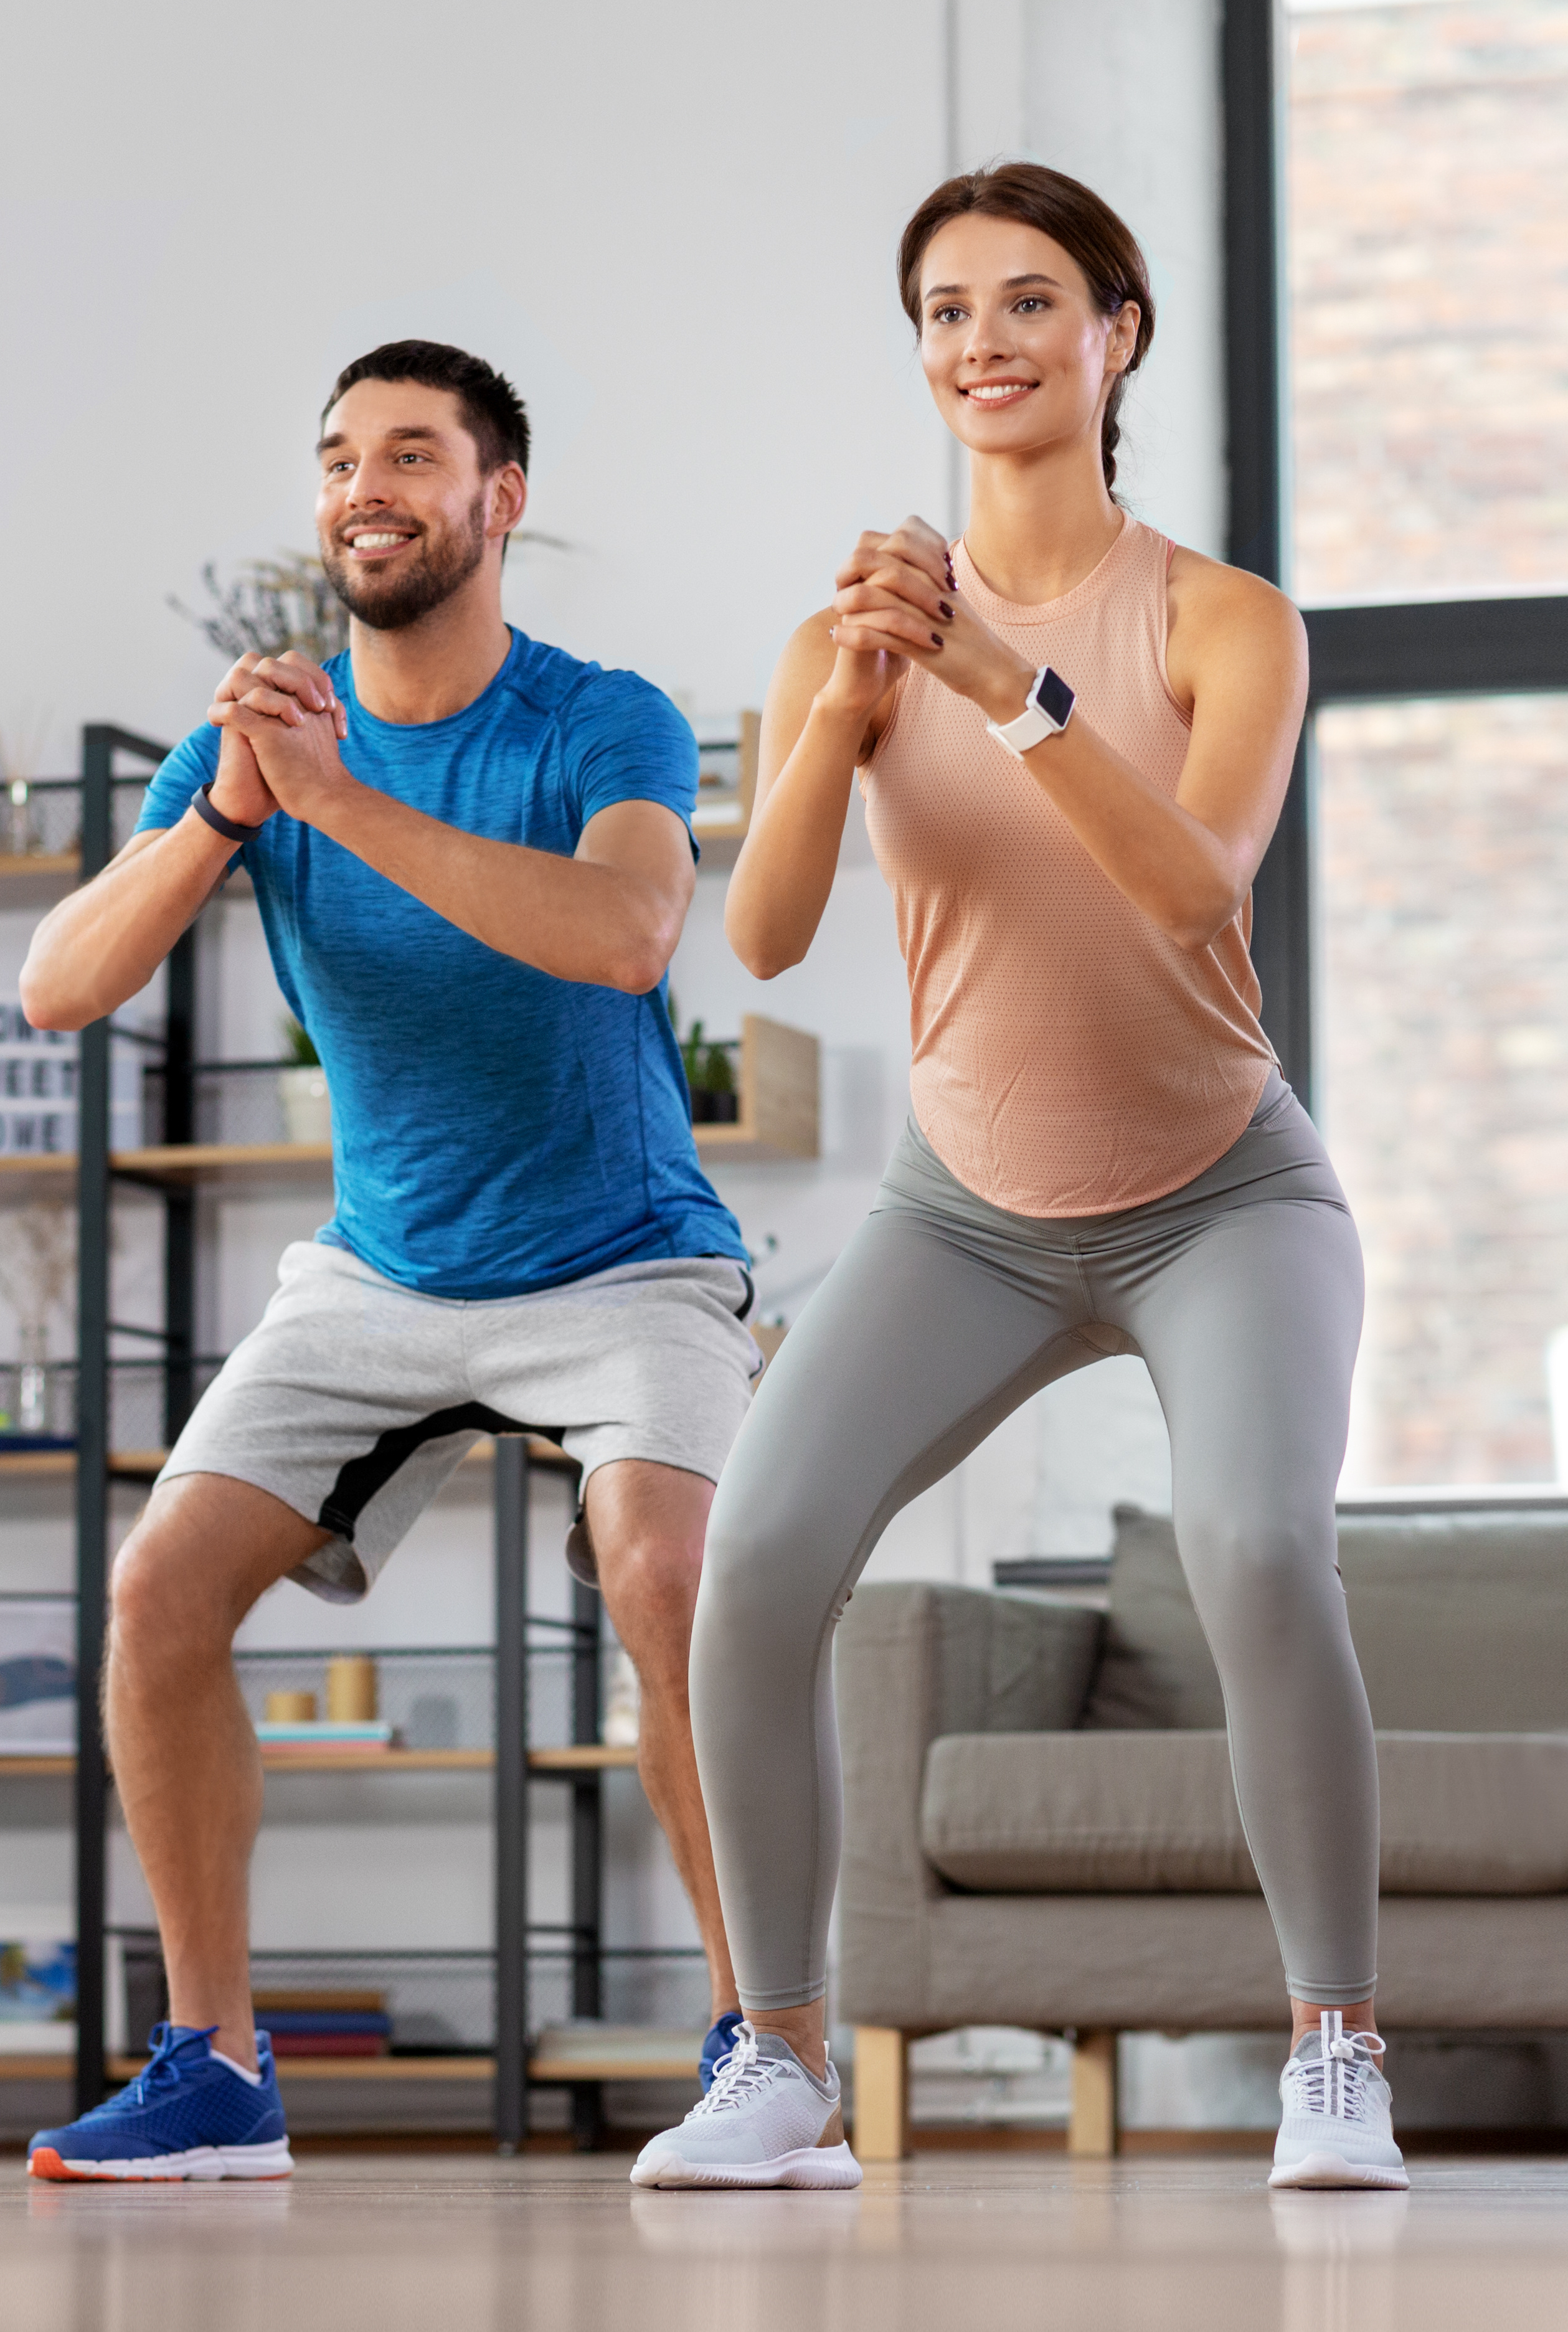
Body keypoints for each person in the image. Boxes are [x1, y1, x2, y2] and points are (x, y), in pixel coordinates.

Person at [633, 163, 1404, 2195]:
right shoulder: (848, 640)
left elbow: (1187, 893)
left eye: (1029, 302)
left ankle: (1336, 2044)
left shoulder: (1221, 618)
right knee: (754, 1560)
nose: (983, 342)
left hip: (1223, 1192)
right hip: (962, 1212)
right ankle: (777, 2056)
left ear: (1113, 336)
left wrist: (1004, 682)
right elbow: (777, 933)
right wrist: (851, 708)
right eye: (948, 311)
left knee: (1252, 1550)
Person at [17, 339, 757, 2181]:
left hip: (623, 1259)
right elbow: (59, 986)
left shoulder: (601, 717)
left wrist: (339, 802)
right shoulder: (245, 750)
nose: (368, 483)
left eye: (413, 454)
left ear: (499, 500)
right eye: (341, 454)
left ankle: (766, 2046)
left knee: (664, 1571)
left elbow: (624, 927)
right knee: (154, 1596)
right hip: (382, 1271)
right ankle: (216, 2068)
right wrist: (219, 814)